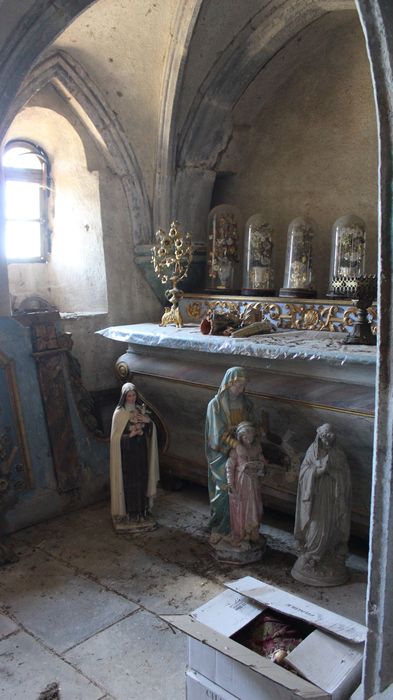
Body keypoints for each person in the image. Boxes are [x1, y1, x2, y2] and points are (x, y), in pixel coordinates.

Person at [291, 423, 351, 585]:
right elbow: (304, 472)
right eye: (324, 436)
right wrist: (317, 472)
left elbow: (345, 476)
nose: (327, 439)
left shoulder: (338, 453)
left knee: (332, 527)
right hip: (315, 499)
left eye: (330, 436)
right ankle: (311, 554)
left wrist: (331, 471)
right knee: (316, 528)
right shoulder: (312, 451)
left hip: (332, 498)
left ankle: (328, 555)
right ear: (319, 436)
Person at [205, 366, 255, 543]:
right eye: (237, 385)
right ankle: (220, 528)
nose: (240, 389)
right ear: (228, 383)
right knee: (225, 492)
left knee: (245, 493)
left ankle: (241, 530)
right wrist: (235, 445)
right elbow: (215, 435)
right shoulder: (216, 405)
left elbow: (252, 424)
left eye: (243, 385)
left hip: (243, 451)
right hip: (222, 454)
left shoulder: (246, 403)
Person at [110, 382, 159, 531]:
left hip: (141, 452)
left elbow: (151, 431)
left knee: (142, 480)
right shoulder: (119, 413)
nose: (132, 398)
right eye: (129, 396)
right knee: (130, 484)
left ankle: (142, 512)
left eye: (134, 395)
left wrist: (148, 422)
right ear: (124, 397)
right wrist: (130, 434)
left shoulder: (139, 410)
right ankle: (130, 513)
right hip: (127, 457)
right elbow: (115, 439)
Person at [226, 422, 266, 545]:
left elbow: (262, 462)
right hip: (241, 482)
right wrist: (230, 484)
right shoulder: (236, 451)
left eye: (251, 437)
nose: (248, 440)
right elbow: (229, 467)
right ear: (240, 437)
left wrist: (261, 466)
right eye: (245, 437)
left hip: (254, 482)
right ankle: (242, 533)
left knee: (256, 507)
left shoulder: (257, 448)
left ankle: (253, 532)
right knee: (242, 507)